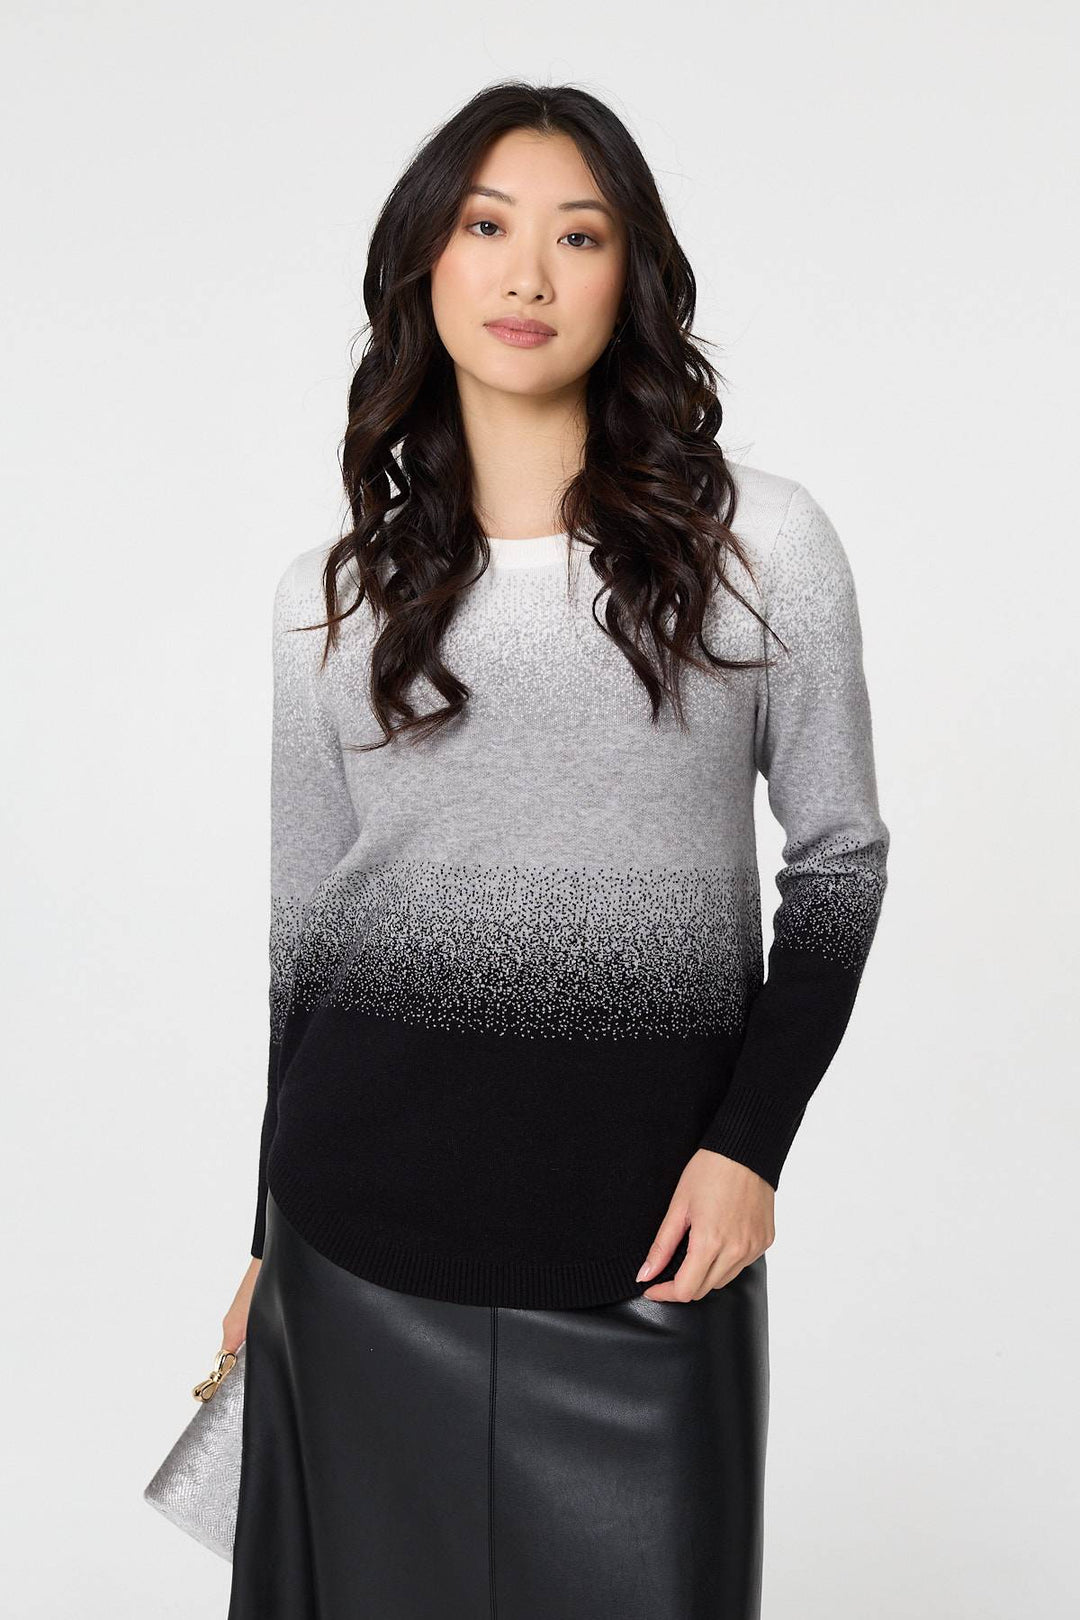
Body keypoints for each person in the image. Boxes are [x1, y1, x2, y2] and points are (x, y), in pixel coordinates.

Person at [223, 81, 890, 1620]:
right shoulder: (330, 596)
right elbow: (302, 931)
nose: (526, 274)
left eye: (578, 236)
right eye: (485, 226)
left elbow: (840, 861)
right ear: (425, 263)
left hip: (648, 1254)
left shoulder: (760, 544)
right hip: (355, 1250)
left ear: (630, 275)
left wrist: (751, 1147)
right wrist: (263, 1235)